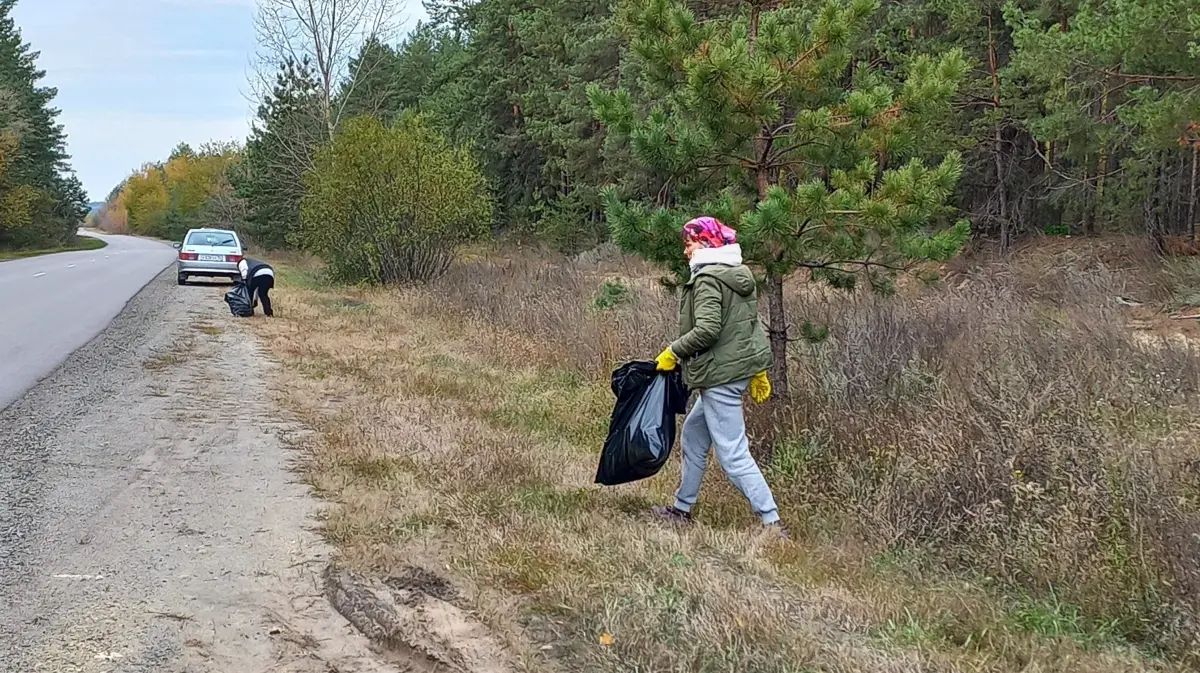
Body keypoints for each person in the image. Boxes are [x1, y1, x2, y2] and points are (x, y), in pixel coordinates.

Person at [652, 216, 786, 536]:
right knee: (694, 436)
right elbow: (747, 329)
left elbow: (708, 331)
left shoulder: (708, 278)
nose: (686, 251)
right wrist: (757, 371)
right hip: (734, 370)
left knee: (733, 454)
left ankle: (772, 524)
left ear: (708, 243)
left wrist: (673, 352)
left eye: (690, 243)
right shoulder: (737, 274)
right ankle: (682, 509)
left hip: (720, 376)